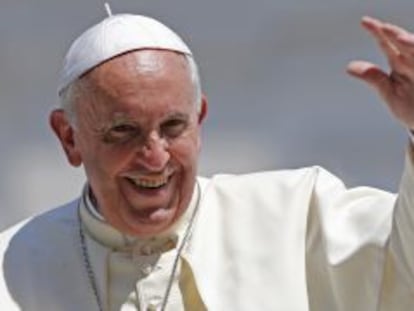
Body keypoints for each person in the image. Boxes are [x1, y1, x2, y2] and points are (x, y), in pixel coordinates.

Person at [0, 12, 413, 311]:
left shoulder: (300, 214)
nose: (155, 157)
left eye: (173, 126)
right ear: (69, 138)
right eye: (123, 131)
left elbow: (404, 271)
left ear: (199, 120)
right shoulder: (10, 269)